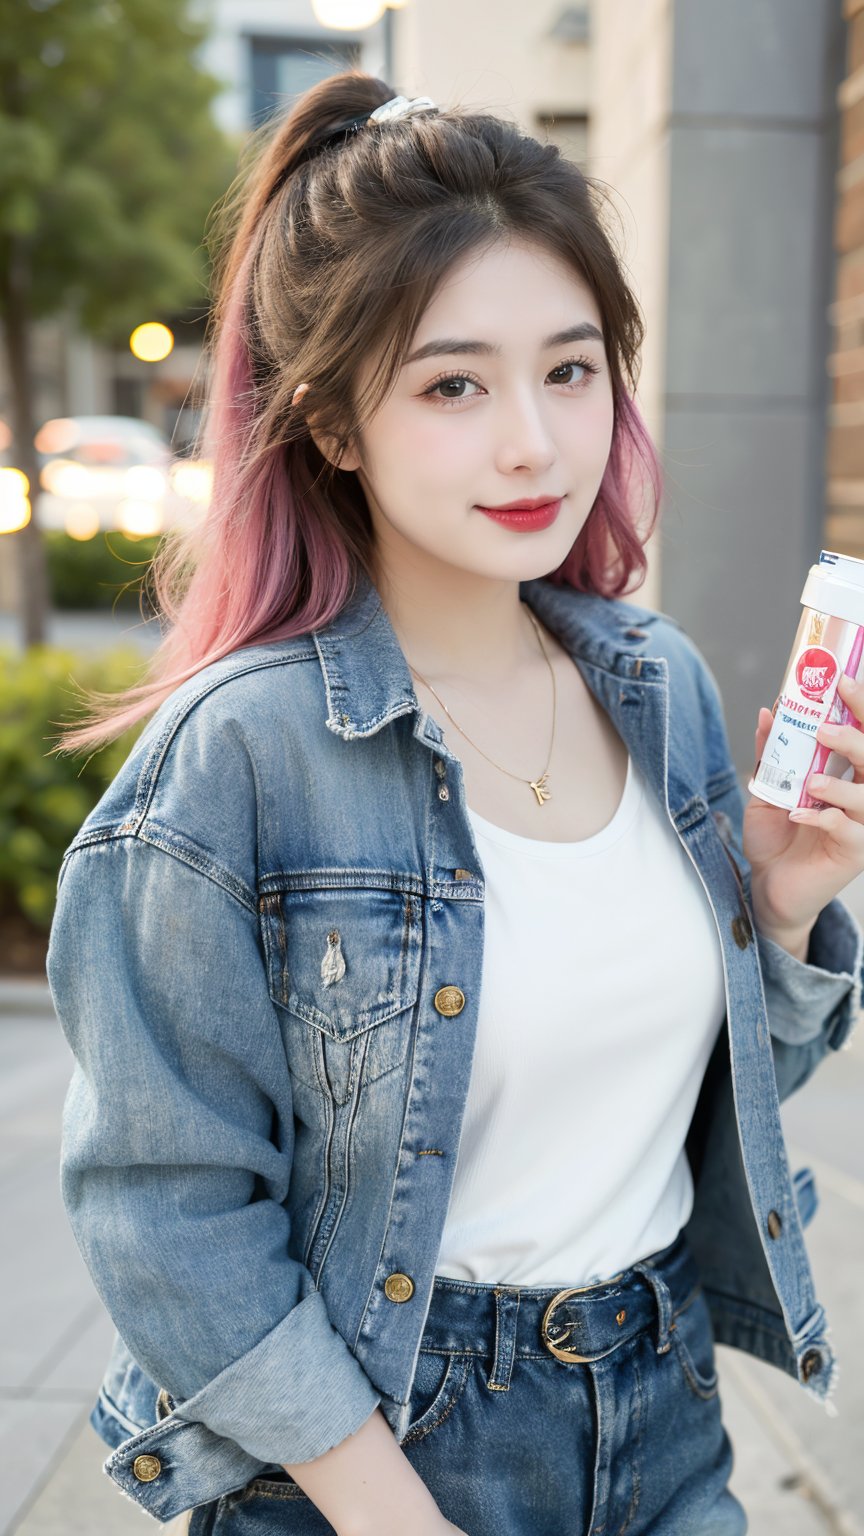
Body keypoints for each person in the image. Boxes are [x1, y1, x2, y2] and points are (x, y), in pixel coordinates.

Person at [46, 72, 864, 1536]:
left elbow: (670, 1109)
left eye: (569, 369)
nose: (534, 445)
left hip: (667, 1424)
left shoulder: (656, 685)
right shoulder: (238, 762)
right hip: (379, 1456)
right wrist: (390, 1513)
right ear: (334, 426)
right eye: (452, 384)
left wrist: (781, 917)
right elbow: (165, 1214)